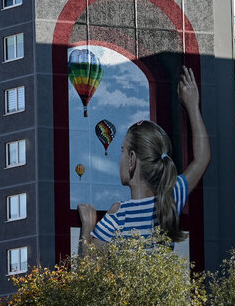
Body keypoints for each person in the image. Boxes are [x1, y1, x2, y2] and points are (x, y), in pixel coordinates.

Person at [78, 66, 210, 246]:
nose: (120, 158)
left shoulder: (119, 213)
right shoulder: (170, 201)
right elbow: (202, 158)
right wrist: (192, 105)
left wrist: (87, 226)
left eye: (122, 150)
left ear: (132, 159)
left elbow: (91, 267)